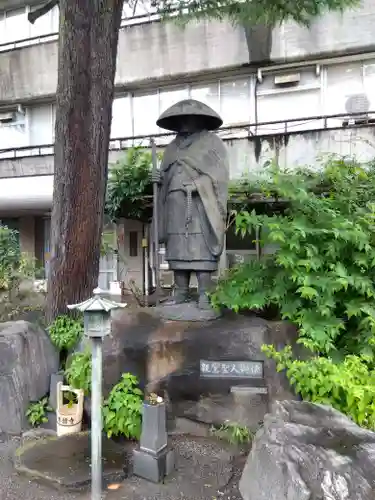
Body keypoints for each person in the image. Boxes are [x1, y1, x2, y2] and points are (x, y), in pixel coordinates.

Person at [153, 99, 229, 309]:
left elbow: (220, 176)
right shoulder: (171, 148)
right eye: (181, 119)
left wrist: (199, 184)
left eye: (189, 118)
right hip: (175, 206)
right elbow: (166, 176)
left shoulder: (212, 143)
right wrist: (159, 179)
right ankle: (181, 293)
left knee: (200, 247)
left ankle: (205, 294)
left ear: (199, 119)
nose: (185, 123)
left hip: (200, 206)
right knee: (178, 248)